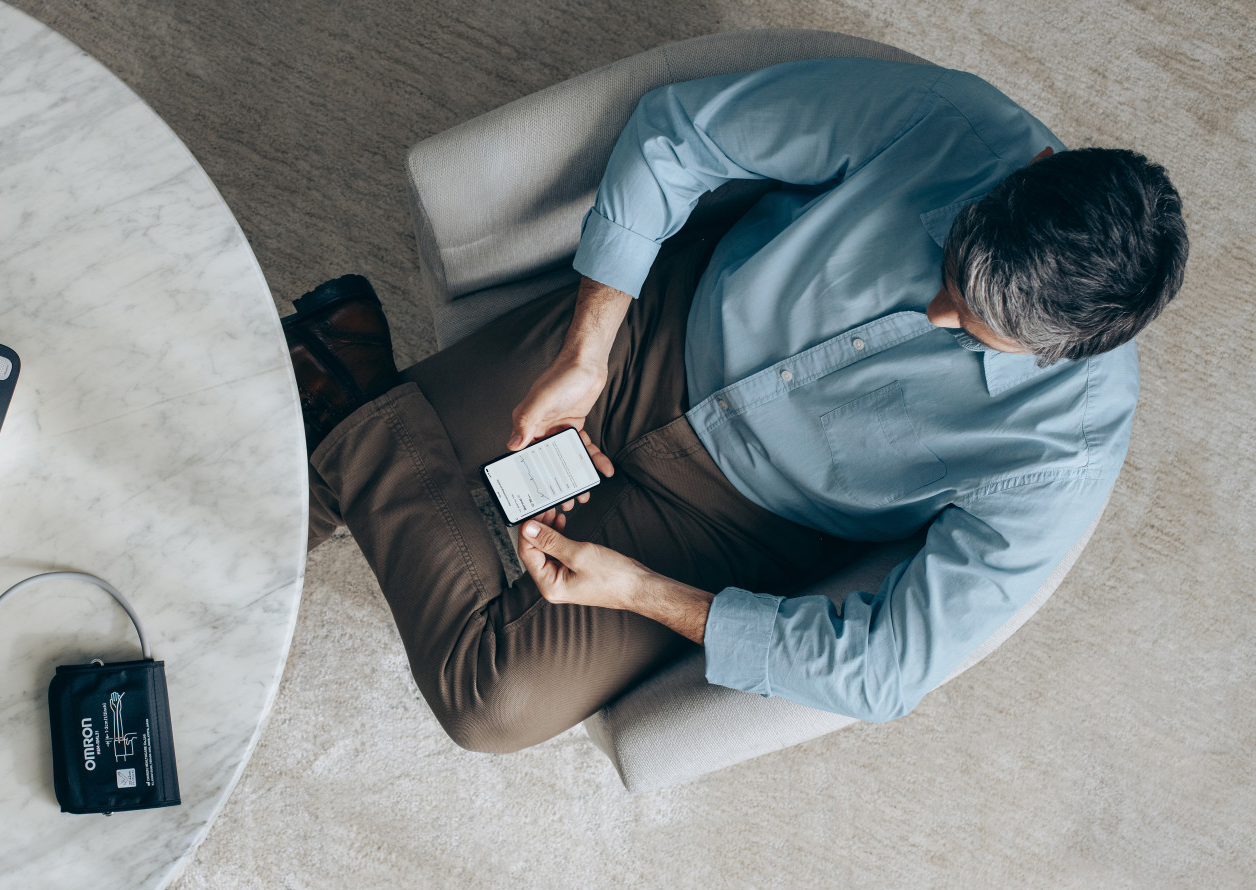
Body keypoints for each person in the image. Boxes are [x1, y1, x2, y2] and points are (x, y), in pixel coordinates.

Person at [279, 57, 1187, 754]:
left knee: (490, 704)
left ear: (1069, 354)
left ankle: (353, 386)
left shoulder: (1062, 454)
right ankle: (345, 418)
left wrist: (644, 591)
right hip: (655, 337)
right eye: (950, 270)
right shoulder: (948, 122)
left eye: (977, 331)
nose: (937, 313)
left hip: (734, 522)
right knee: (296, 484)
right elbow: (679, 133)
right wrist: (587, 347)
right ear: (1027, 170)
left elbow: (886, 667)